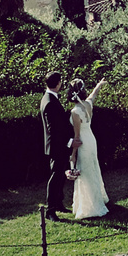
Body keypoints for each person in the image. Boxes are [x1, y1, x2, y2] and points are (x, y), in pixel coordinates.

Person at [70, 76, 110, 219]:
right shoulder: (88, 104)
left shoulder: (75, 112)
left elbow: (77, 136)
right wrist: (99, 84)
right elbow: (94, 94)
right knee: (93, 168)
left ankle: (90, 205)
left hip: (84, 142)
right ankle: (97, 198)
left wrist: (73, 154)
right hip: (92, 140)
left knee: (85, 171)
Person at [39, 71, 74, 221]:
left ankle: (58, 203)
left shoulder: (49, 98)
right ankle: (50, 209)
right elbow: (54, 129)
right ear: (58, 83)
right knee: (55, 176)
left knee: (60, 175)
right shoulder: (49, 102)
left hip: (58, 145)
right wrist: (68, 142)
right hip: (57, 146)